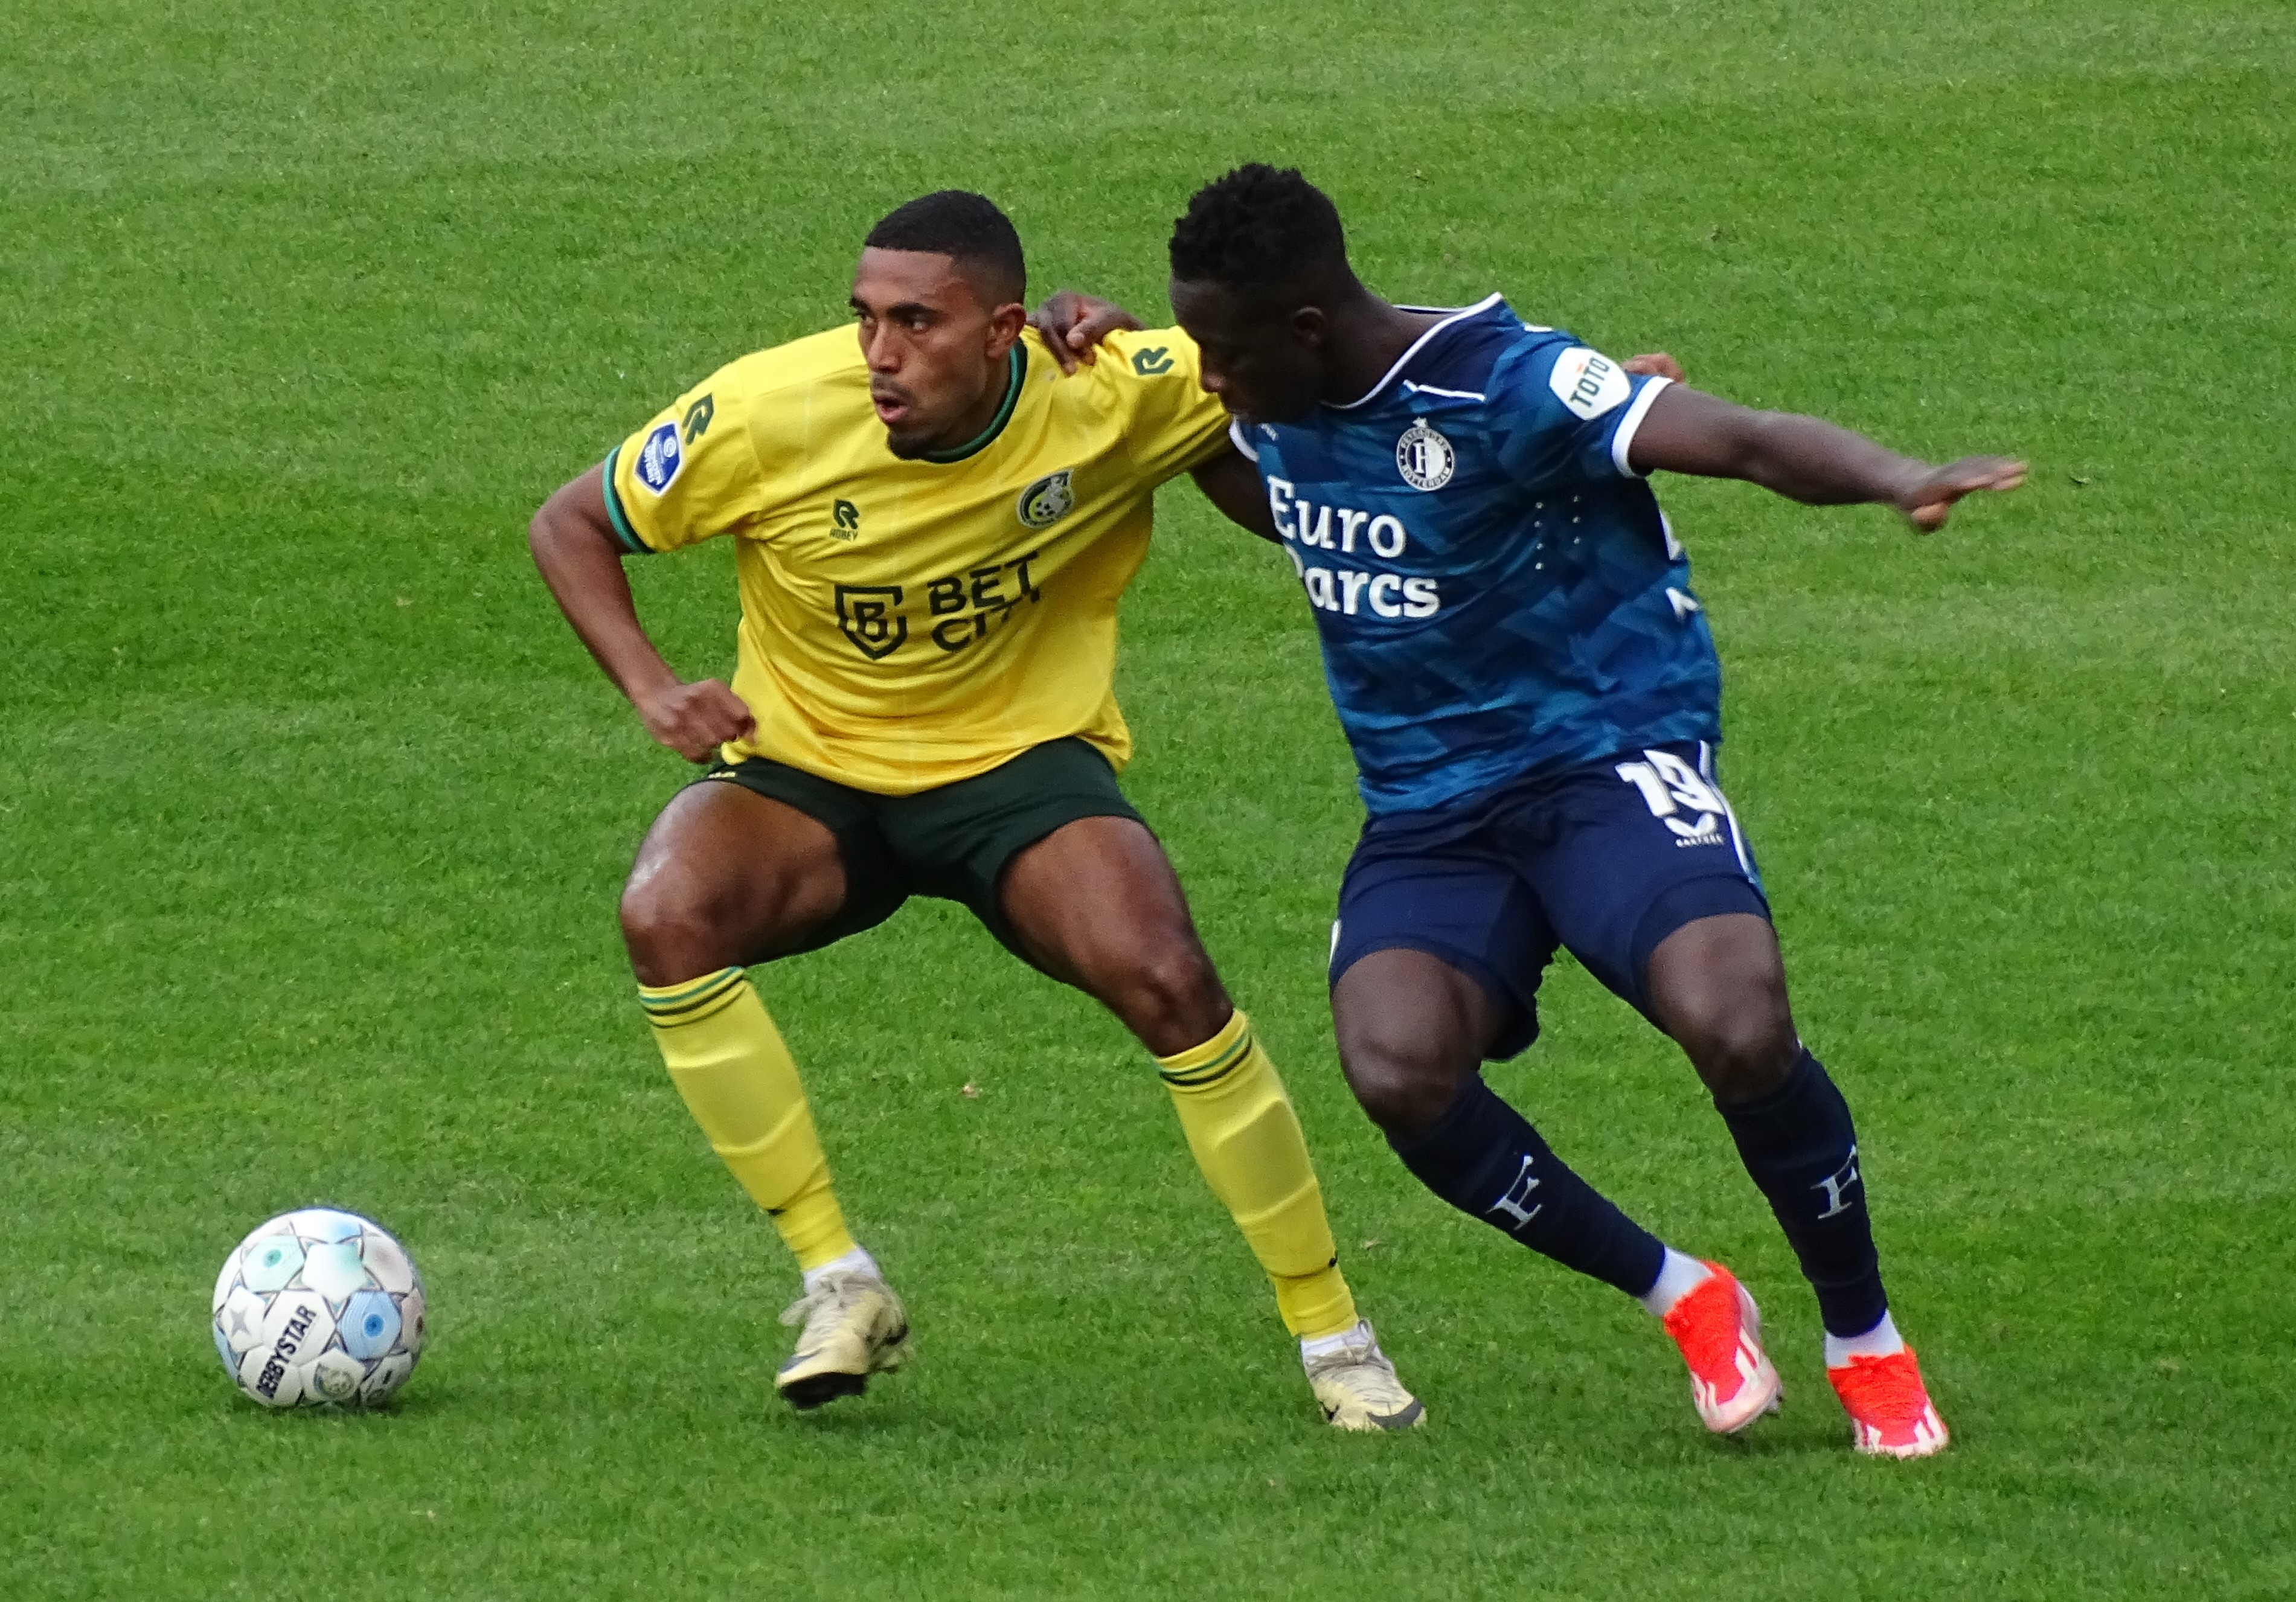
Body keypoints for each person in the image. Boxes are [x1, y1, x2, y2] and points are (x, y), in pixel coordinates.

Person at [1045, 164, 2022, 1458]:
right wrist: (1095, 336)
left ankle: (1865, 1341)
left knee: (1733, 1019)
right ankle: (1683, 1293)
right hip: (1428, 810)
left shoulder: (1505, 383)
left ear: (1304, 330)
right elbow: (1272, 488)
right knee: (1394, 1067)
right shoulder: (1264, 382)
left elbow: (1732, 438)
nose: (1205, 381)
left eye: (1222, 356)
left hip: (1598, 760)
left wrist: (1894, 475)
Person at [526, 190, 1422, 1429]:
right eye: (863, 321)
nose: (879, 355)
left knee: (1168, 978)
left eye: (915, 323)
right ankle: (839, 1283)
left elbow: (1358, 357)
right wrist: (652, 688)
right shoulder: (767, 411)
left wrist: (1566, 407)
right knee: (665, 913)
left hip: (1013, 770)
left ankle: (1335, 1340)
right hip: (809, 767)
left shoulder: (1110, 387)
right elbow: (571, 521)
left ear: (1004, 328)